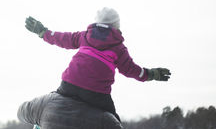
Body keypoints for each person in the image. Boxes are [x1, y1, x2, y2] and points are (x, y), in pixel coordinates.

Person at [25, 8, 171, 121]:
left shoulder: (84, 36)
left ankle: (42, 123)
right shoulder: (118, 47)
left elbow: (61, 38)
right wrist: (151, 74)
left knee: (55, 101)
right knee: (112, 120)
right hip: (96, 92)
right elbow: (131, 70)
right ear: (116, 25)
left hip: (70, 84)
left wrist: (42, 31)